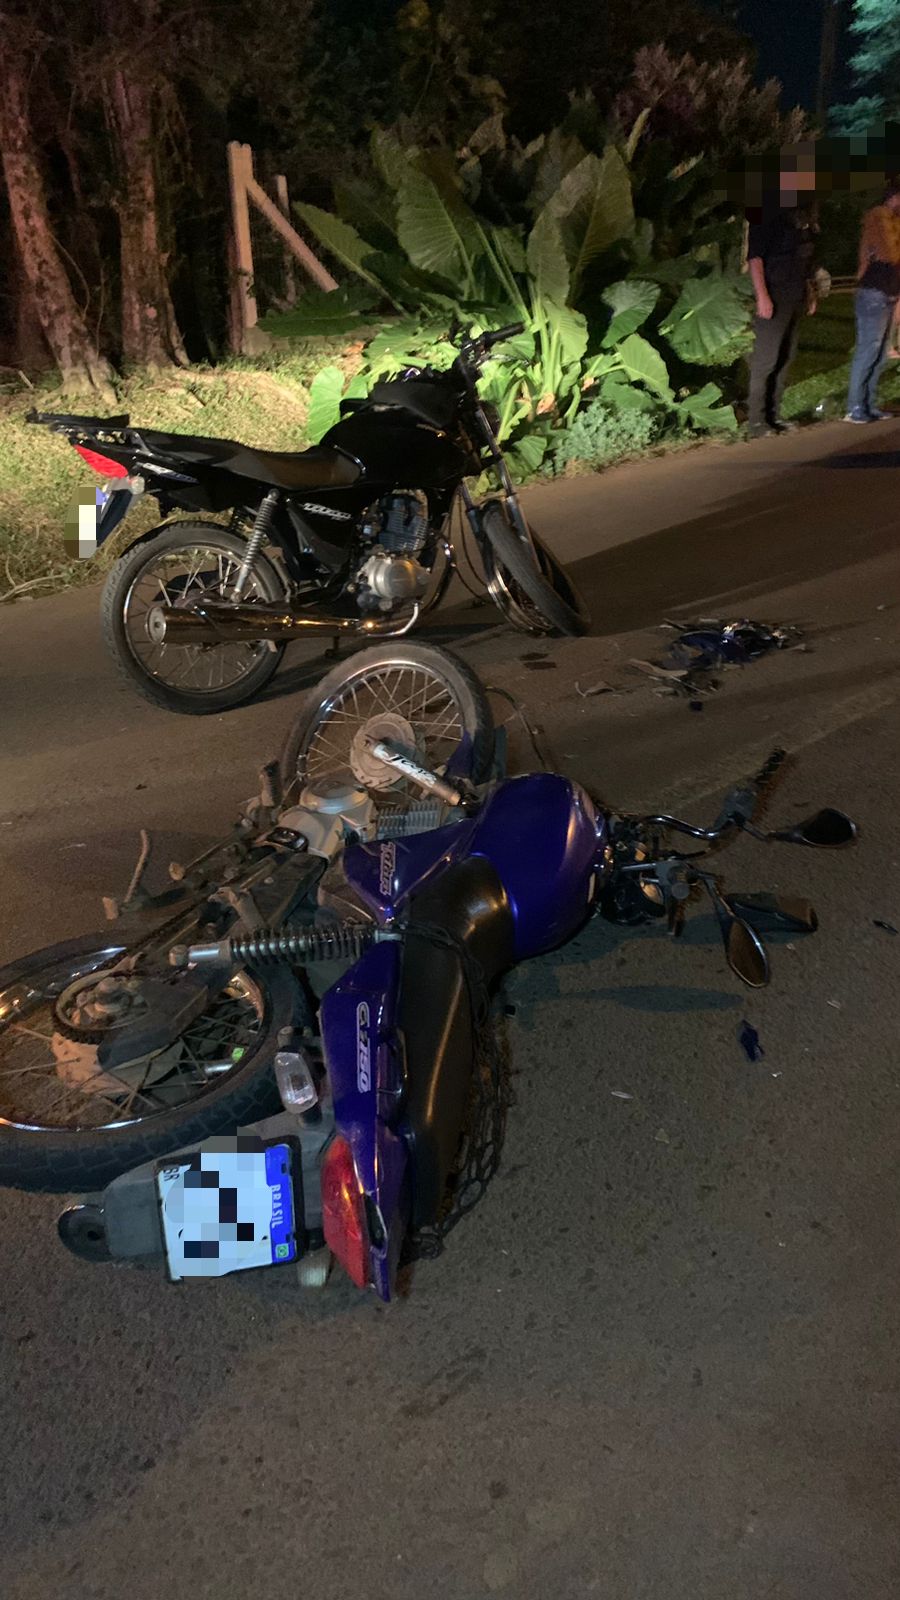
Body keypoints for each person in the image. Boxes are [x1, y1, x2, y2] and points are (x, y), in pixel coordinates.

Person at [745, 146, 818, 439]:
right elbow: (755, 259)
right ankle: (756, 421)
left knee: (786, 357)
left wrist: (810, 292)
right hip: (774, 294)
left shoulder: (799, 215)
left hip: (795, 294)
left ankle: (774, 416)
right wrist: (762, 296)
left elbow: (805, 257)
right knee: (766, 358)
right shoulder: (766, 212)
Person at [845, 181, 900, 422]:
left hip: (888, 292)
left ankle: (868, 404)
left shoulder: (894, 221)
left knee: (879, 354)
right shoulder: (879, 217)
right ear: (894, 197)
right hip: (873, 292)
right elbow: (889, 252)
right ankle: (854, 407)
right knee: (868, 349)